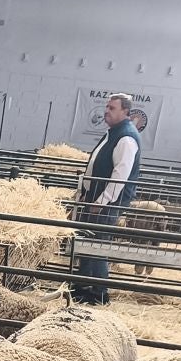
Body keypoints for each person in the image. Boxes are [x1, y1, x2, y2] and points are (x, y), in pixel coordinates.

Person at [74, 92, 141, 306]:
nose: (106, 111)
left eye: (112, 108)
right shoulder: (114, 133)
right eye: (106, 107)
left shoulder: (126, 138)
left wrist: (102, 202)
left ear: (125, 111)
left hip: (106, 203)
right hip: (95, 197)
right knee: (88, 242)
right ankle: (83, 287)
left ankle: (99, 293)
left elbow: (120, 175)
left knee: (98, 246)